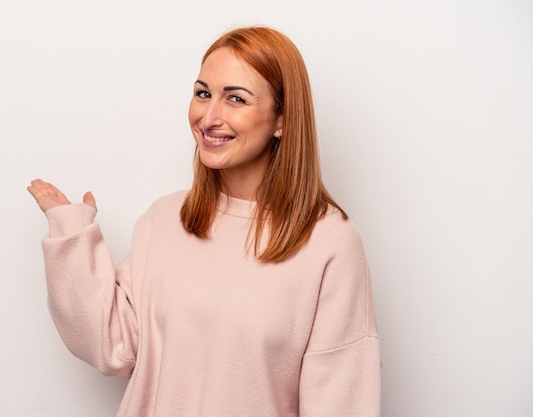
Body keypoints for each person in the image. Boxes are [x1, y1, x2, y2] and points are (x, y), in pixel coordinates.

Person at [28, 26, 380, 417]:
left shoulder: (329, 242)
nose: (209, 117)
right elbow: (113, 347)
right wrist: (71, 234)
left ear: (282, 119)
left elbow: (341, 400)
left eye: (236, 99)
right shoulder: (164, 220)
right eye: (203, 93)